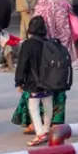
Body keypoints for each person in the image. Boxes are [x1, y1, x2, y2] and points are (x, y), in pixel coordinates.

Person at [12, 0, 75, 136]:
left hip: (43, 52)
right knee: (58, 86)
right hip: (60, 51)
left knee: (38, 86)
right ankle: (56, 122)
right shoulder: (65, 4)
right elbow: (67, 31)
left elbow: (37, 28)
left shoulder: (42, 5)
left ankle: (34, 123)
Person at [15, 16, 66, 145]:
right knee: (48, 103)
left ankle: (40, 133)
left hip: (34, 82)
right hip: (49, 81)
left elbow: (22, 65)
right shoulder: (49, 43)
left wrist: (19, 81)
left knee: (33, 107)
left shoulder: (27, 44)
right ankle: (46, 130)